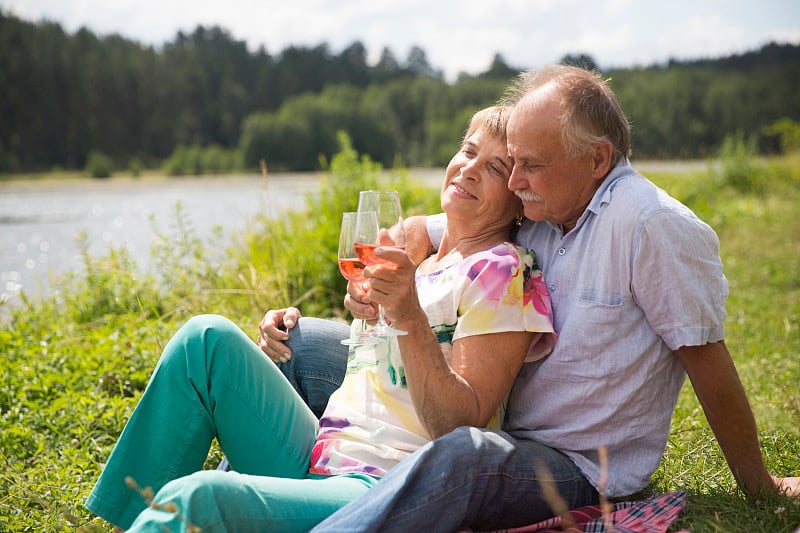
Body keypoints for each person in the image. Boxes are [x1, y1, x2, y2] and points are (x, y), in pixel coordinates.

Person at [260, 65, 800, 532]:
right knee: (300, 343)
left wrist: (760, 484)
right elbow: (440, 222)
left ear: (597, 159)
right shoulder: (541, 206)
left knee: (462, 455)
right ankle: (280, 486)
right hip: (494, 414)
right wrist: (397, 252)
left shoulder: (651, 226)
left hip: (574, 465)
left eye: (530, 164)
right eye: (511, 163)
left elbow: (706, 357)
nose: (515, 180)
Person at [84, 105, 556, 531]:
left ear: (518, 193)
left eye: (495, 166)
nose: (470, 170)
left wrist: (407, 311)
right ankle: (128, 522)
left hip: (381, 487)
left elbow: (461, 428)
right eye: (468, 151)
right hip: (319, 450)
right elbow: (375, 368)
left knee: (198, 497)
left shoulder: (505, 271)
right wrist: (298, 325)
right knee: (204, 340)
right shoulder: (420, 258)